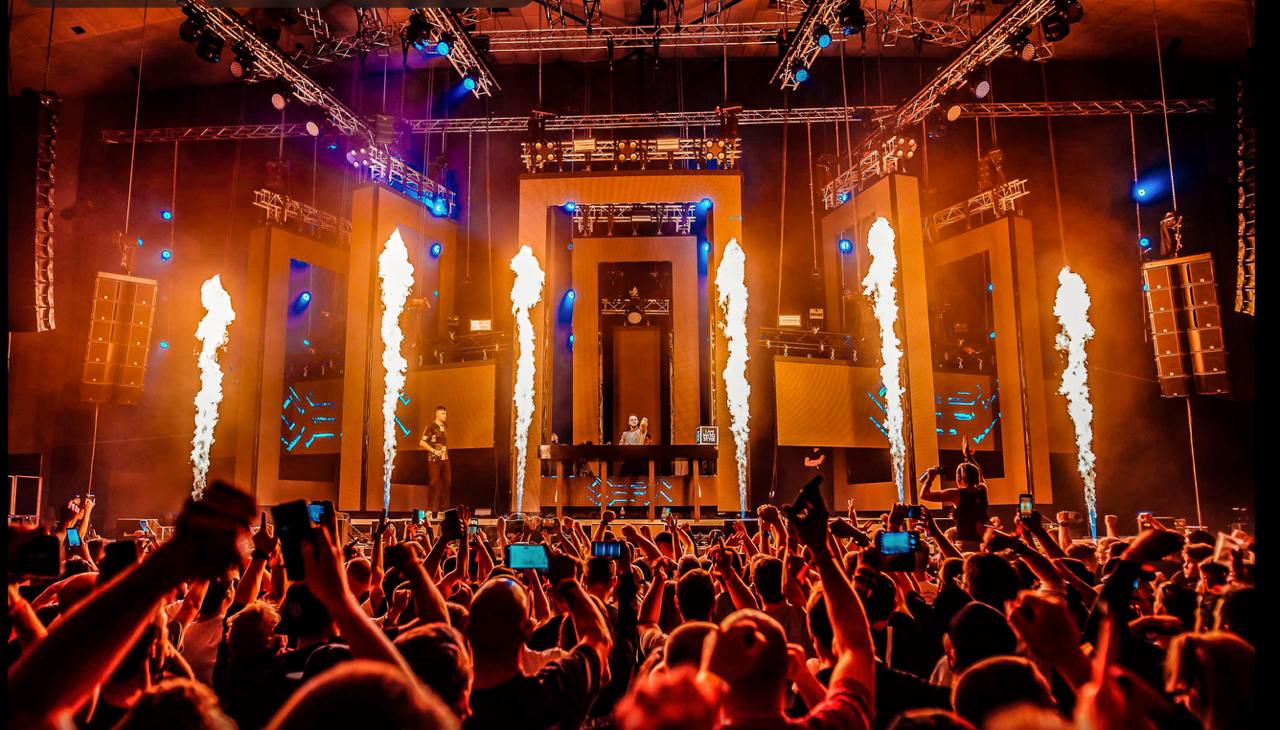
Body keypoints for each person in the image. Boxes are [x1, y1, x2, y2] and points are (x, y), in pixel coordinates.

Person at [920, 461, 989, 553]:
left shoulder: (957, 494)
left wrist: (930, 478)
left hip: (964, 546)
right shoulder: (982, 492)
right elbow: (981, 477)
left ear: (958, 477)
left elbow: (924, 495)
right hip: (982, 545)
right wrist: (969, 457)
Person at [420, 406, 451, 505]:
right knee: (434, 483)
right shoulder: (431, 427)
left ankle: (444, 508)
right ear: (437, 414)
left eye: (445, 413)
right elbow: (422, 442)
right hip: (434, 459)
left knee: (447, 482)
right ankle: (431, 507)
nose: (445, 415)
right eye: (443, 413)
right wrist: (434, 451)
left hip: (445, 458)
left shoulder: (444, 426)